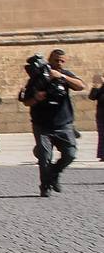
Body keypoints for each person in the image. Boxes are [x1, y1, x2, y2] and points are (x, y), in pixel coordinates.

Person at [19, 49, 85, 196]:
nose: (59, 63)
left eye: (62, 61)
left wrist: (61, 76)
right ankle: (45, 186)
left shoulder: (64, 75)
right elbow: (26, 102)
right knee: (44, 157)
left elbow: (81, 86)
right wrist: (36, 98)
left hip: (64, 123)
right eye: (56, 60)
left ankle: (54, 173)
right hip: (42, 125)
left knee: (70, 154)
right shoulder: (36, 78)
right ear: (49, 60)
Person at [91, 74, 104, 161]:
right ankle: (102, 155)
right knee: (102, 135)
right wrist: (95, 86)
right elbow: (92, 97)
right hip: (101, 115)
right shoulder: (101, 88)